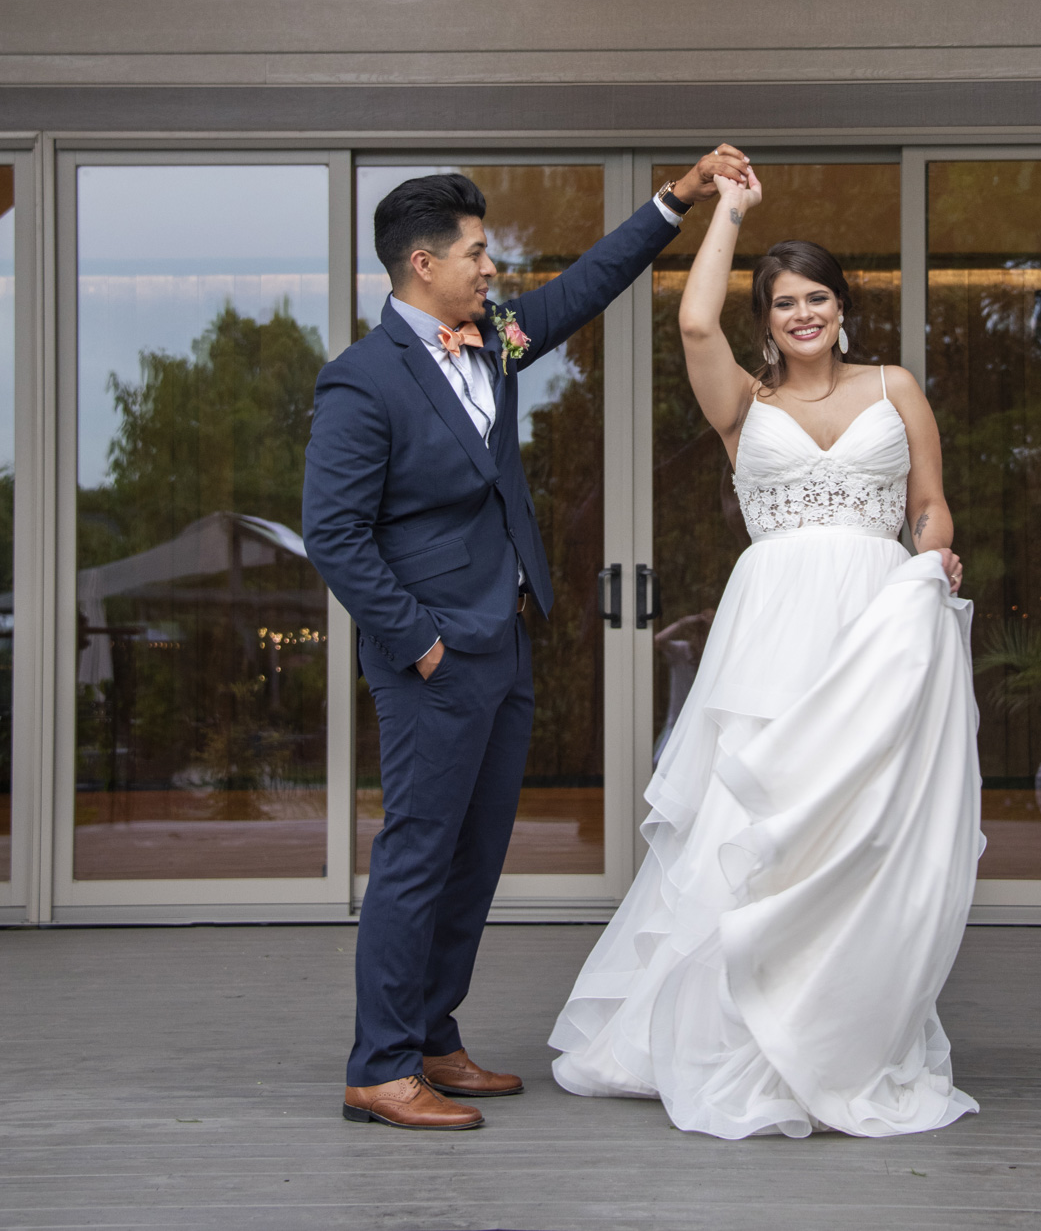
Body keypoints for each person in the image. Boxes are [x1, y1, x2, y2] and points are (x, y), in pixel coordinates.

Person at [302, 147, 751, 1132]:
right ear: (423, 264)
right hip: (432, 655)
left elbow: (587, 284)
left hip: (502, 643)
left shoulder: (492, 335)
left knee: (475, 855)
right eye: (474, 252)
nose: (490, 266)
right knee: (419, 852)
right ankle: (378, 1065)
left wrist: (674, 200)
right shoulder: (361, 382)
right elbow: (333, 533)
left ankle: (430, 1034)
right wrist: (416, 639)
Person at [550, 167, 982, 1139]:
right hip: (774, 631)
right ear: (765, 319)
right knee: (751, 823)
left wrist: (934, 557)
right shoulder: (742, 405)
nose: (801, 314)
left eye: (815, 297)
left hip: (877, 626)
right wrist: (727, 210)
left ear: (842, 307)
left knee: (857, 827)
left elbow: (928, 500)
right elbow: (694, 323)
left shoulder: (894, 387)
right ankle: (729, 1027)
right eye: (782, 302)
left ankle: (843, 1028)